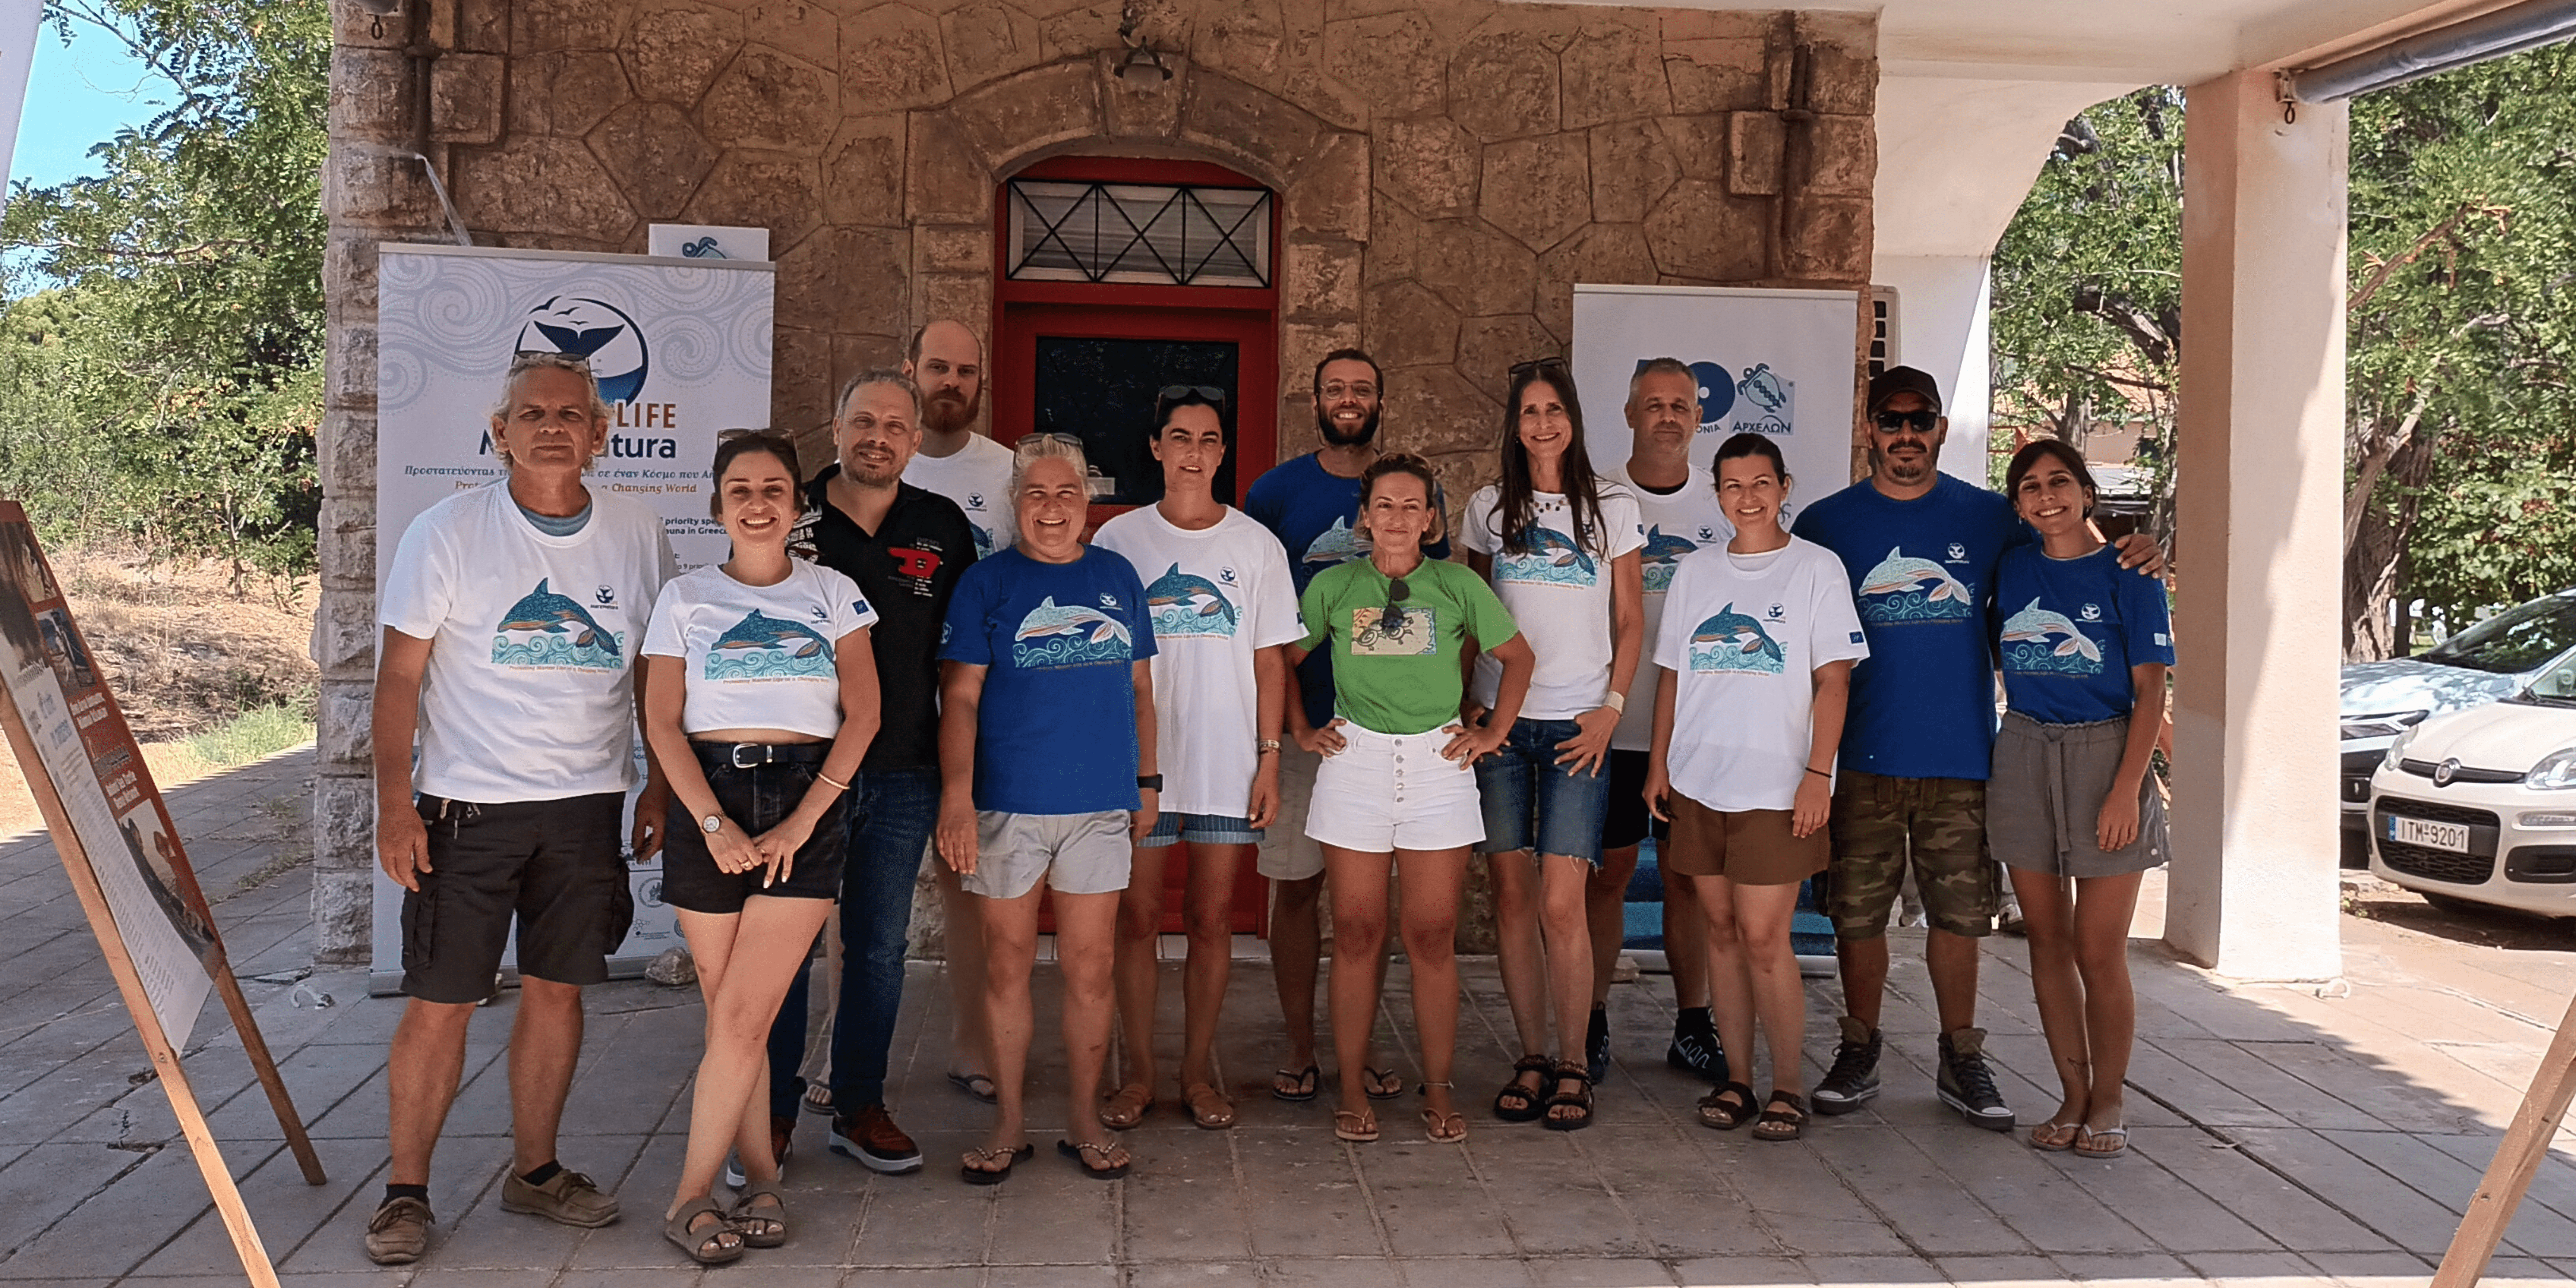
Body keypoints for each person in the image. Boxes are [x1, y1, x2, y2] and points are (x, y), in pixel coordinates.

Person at [1791, 365, 2162, 1131]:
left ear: (1939, 428)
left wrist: (2138, 547)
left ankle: (1961, 1054)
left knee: (1961, 920)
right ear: (1870, 430)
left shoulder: (1994, 518)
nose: (1904, 435)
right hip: (1861, 757)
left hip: (1966, 759)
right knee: (1856, 920)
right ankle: (1859, 1047)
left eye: (1918, 420)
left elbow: (2074, 549)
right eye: (1889, 422)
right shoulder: (1826, 525)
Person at [365, 352, 676, 1265]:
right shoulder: (446, 530)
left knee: (558, 991)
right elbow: (399, 682)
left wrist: (656, 780)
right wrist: (394, 803)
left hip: (585, 811)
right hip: (467, 809)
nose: (552, 427)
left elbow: (660, 672)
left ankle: (535, 1173)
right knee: (442, 1002)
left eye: (571, 414)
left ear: (600, 432)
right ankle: (405, 1192)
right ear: (499, 432)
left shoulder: (638, 530)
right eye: (532, 413)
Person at [641, 431, 881, 1263]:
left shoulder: (836, 592)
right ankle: (762, 1174)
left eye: (774, 487)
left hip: (804, 804)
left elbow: (866, 716)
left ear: (797, 504)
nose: (757, 501)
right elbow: (662, 723)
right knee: (729, 1020)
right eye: (739, 488)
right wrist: (711, 823)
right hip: (710, 800)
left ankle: (688, 1198)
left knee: (747, 1016)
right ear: (717, 507)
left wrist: (804, 819)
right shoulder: (683, 597)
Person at [763, 370, 980, 1178]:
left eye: (895, 426)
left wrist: (961, 779)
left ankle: (858, 1106)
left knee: (879, 949)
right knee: (784, 946)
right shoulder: (790, 514)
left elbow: (964, 661)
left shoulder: (943, 526)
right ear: (835, 426)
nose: (877, 437)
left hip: (902, 771)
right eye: (863, 422)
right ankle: (773, 1110)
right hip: (797, 774)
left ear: (915, 441)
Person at [1287, 452, 1531, 1144]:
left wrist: (1495, 732)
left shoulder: (1456, 585)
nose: (1396, 518)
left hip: (1438, 766)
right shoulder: (1334, 585)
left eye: (1411, 507)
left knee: (1431, 936)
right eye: (1383, 506)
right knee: (1359, 933)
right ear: (1365, 519)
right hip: (1355, 763)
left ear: (1430, 522)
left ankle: (1440, 1090)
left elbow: (1519, 659)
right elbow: (1279, 656)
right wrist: (1299, 730)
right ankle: (1354, 1084)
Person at [937, 434, 1159, 1183]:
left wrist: (1149, 781)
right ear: (1015, 503)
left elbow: (1140, 692)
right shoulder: (986, 585)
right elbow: (960, 698)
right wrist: (959, 798)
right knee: (1007, 964)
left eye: (1067, 494)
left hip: (1099, 804)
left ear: (1088, 503)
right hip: (1007, 806)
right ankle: (1007, 1125)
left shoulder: (1118, 578)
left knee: (1090, 968)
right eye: (1037, 494)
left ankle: (1084, 1119)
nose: (1053, 508)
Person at [1643, 432, 1865, 1143]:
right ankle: (1738, 1078)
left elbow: (1835, 679)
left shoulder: (1817, 569)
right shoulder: (1696, 574)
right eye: (1734, 486)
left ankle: (1788, 1087)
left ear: (1784, 486)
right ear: (1718, 496)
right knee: (1721, 932)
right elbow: (1673, 675)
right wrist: (1659, 766)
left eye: (1761, 483)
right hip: (1700, 780)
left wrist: (1817, 773)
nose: (1749, 498)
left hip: (1776, 785)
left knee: (1768, 938)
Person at [1093, 388, 1303, 1131]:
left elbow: (1273, 661)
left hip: (1227, 763)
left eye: (1208, 439)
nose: (1192, 451)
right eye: (1179, 436)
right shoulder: (1118, 542)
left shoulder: (1256, 547)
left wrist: (1270, 757)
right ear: (1156, 447)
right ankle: (1141, 1074)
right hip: (1144, 765)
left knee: (1214, 921)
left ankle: (1196, 1073)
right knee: (1138, 918)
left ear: (1222, 453)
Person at [1243, 349, 1448, 1105]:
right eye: (1337, 389)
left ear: (1381, 400)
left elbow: (1443, 608)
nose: (1350, 400)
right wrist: (1283, 726)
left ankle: (1358, 1052)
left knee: (1371, 915)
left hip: (1394, 740)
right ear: (1316, 400)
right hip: (1306, 734)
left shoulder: (1420, 496)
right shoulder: (1274, 492)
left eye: (1364, 388)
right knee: (1296, 891)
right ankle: (1303, 1046)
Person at [1461, 360, 1643, 1130]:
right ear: (1514, 423)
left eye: (1554, 409)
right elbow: (1469, 613)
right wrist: (1468, 710)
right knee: (1511, 896)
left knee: (1563, 902)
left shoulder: (1612, 509)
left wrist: (1612, 708)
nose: (1542, 424)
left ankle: (1575, 1062)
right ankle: (1530, 1056)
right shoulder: (1486, 507)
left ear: (1574, 417)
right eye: (1529, 412)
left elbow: (1631, 622)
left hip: (1578, 728)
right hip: (1498, 727)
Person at [1991, 439, 2173, 1160]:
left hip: (2109, 754)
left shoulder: (2131, 572)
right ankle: (2070, 1091)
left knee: (2099, 948)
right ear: (2017, 505)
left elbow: (2152, 689)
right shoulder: (2012, 567)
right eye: (2030, 487)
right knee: (2047, 940)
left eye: (2060, 482)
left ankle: (2110, 1096)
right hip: (2026, 749)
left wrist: (2127, 787)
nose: (2046, 497)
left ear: (2088, 491)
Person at [1598, 359, 1734, 1084]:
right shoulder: (1595, 504)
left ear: (1698, 417)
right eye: (1653, 404)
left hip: (1695, 735)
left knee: (1689, 880)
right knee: (1609, 876)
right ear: (1628, 415)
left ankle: (1694, 1022)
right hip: (1614, 729)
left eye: (1680, 405)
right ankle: (1590, 1021)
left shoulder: (1723, 506)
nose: (1667, 416)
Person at [897, 319, 1008, 1107]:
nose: (951, 382)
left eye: (965, 371)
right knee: (861, 894)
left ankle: (974, 1042)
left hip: (983, 714)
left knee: (970, 885)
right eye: (938, 367)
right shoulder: (870, 465)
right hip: (889, 713)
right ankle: (841, 1053)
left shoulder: (1006, 473)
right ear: (911, 370)